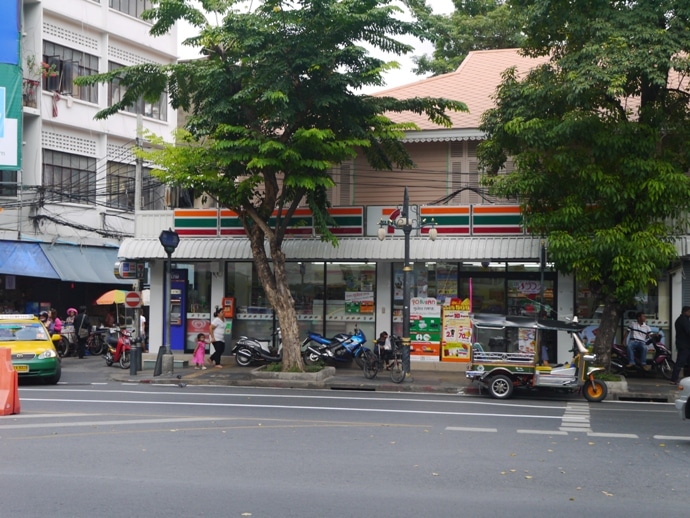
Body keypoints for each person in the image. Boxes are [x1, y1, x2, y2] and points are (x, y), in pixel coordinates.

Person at [670, 306, 690, 384]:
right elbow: (688, 331)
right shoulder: (683, 320)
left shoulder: (682, 319)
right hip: (684, 345)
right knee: (680, 362)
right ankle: (673, 379)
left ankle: (687, 379)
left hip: (684, 345)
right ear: (685, 312)